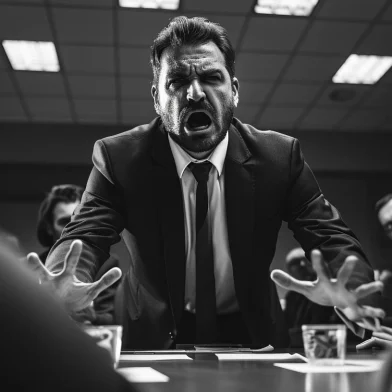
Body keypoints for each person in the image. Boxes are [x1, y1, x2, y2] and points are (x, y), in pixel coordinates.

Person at [28, 16, 386, 350]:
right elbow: (86, 233)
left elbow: (329, 234)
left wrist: (355, 291)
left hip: (251, 330)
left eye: (212, 78)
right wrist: (60, 282)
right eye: (178, 81)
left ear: (234, 91)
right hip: (154, 331)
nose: (195, 93)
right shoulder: (120, 158)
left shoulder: (280, 157)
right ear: (157, 98)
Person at [0, 233, 135, 391]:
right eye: (65, 222)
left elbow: (109, 319)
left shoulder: (105, 264)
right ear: (48, 227)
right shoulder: (28, 265)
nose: (71, 233)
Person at [37, 184, 84, 263]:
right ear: (49, 227)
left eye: (79, 221)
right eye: (65, 222)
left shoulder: (107, 267)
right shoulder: (30, 269)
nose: (74, 229)